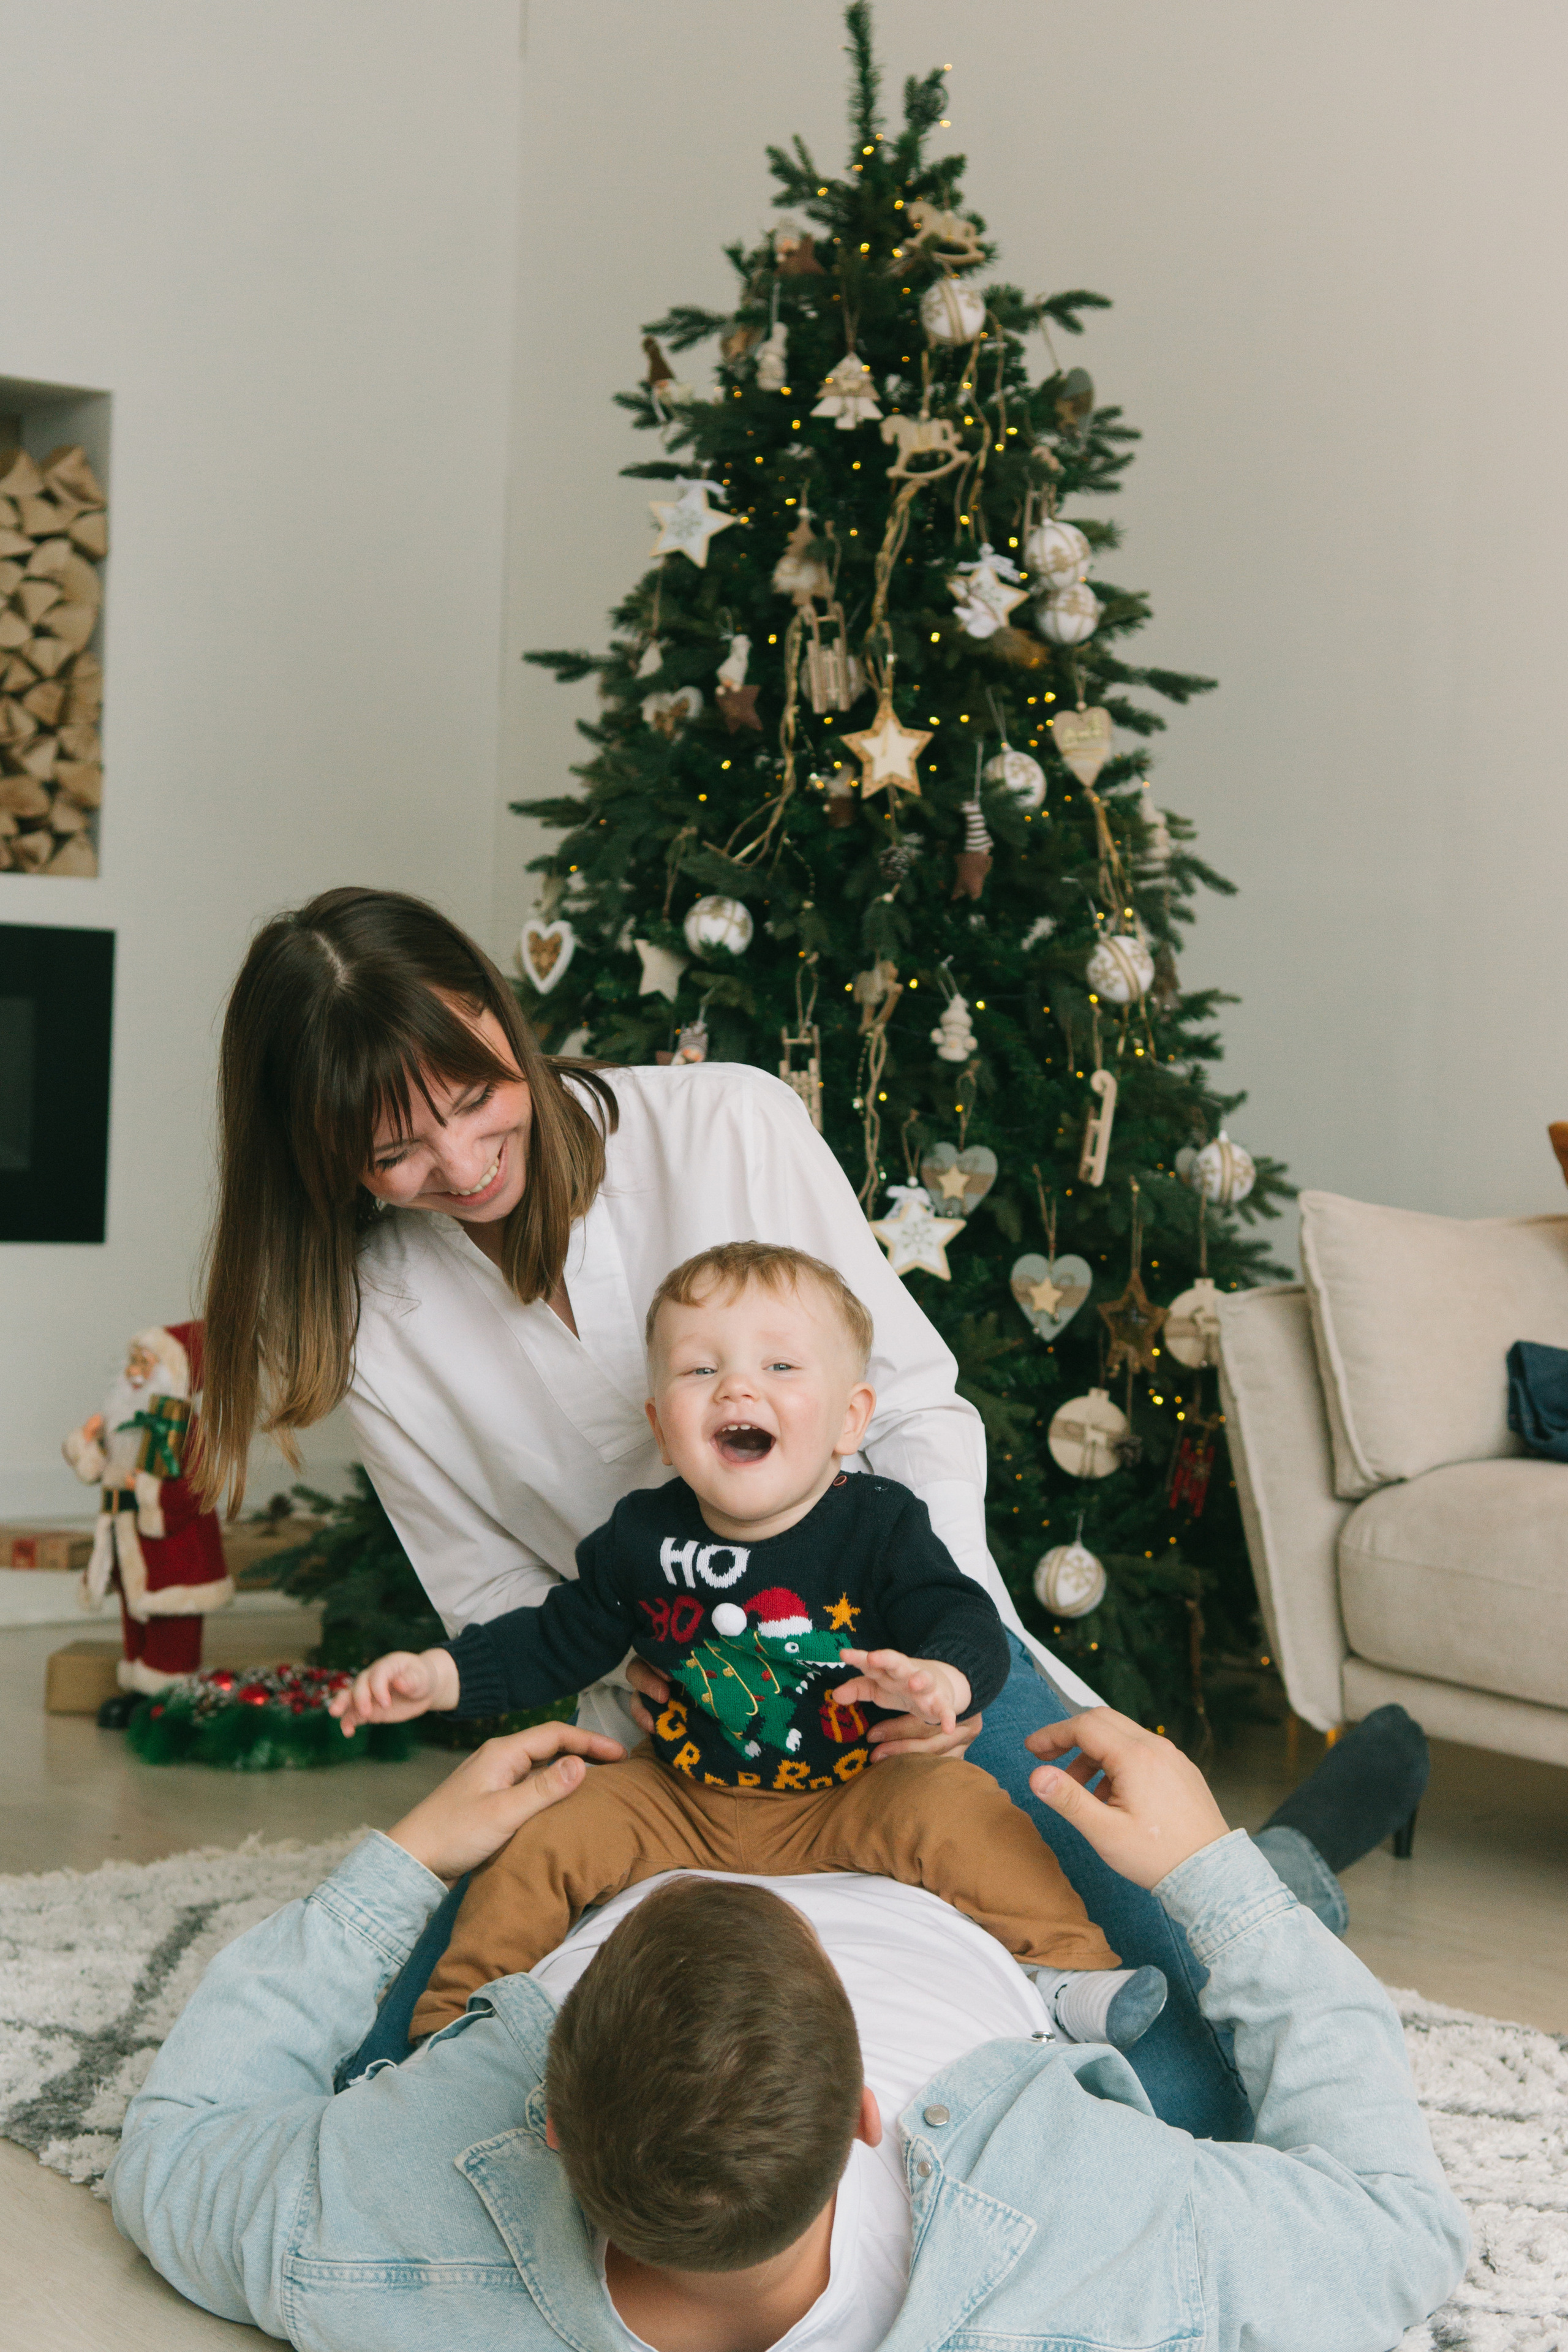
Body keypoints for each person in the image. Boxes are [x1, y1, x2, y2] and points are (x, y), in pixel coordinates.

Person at [198, 886, 1428, 2139]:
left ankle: (1281, 1882)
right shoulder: (373, 1312)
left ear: (495, 1017)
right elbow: (489, 1594)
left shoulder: (723, 1121)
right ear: (318, 1154)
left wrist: (926, 1658)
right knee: (387, 2091)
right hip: (657, 1727)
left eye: (471, 1101)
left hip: (895, 1671)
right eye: (393, 1152)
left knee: (1188, 2090)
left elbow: (901, 1407)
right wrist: (657, 1666)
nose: (459, 1169)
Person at [109, 1708, 1468, 2352]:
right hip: (978, 1931)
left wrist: (407, 1857)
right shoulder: (1094, 2233)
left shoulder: (363, 2232)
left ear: (545, 2105)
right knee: (1210, 1917)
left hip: (653, 1847)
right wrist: (1206, 1879)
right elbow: (1394, 2226)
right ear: (868, 2112)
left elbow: (175, 2148)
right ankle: (1294, 1855)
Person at [334, 1240, 1165, 2051]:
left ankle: (1063, 1973)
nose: (737, 1385)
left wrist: (943, 1677)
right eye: (702, 1371)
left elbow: (963, 1617)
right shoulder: (641, 1536)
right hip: (679, 1795)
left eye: (780, 1368)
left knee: (969, 1812)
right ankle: (455, 2024)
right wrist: (438, 1676)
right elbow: (557, 1637)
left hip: (853, 1792)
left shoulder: (879, 1524)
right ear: (664, 1427)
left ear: (849, 1419)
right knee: (544, 1835)